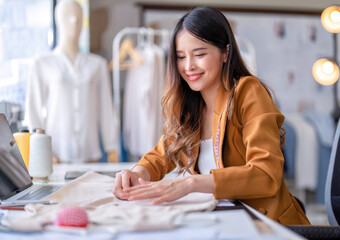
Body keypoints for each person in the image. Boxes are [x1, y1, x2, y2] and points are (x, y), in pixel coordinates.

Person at [113, 7, 310, 225]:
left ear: (225, 52)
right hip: (225, 221)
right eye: (180, 57)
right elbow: (161, 155)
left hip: (268, 224)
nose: (188, 66)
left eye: (199, 54)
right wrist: (136, 173)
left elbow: (266, 175)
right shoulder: (190, 104)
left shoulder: (247, 91)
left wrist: (191, 184)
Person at [25, 0, 118, 163]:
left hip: (90, 154)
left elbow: (106, 109)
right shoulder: (42, 63)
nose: (74, 21)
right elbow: (34, 112)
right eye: (68, 16)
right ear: (57, 19)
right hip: (56, 154)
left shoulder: (98, 64)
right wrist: (42, 151)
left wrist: (112, 147)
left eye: (78, 17)